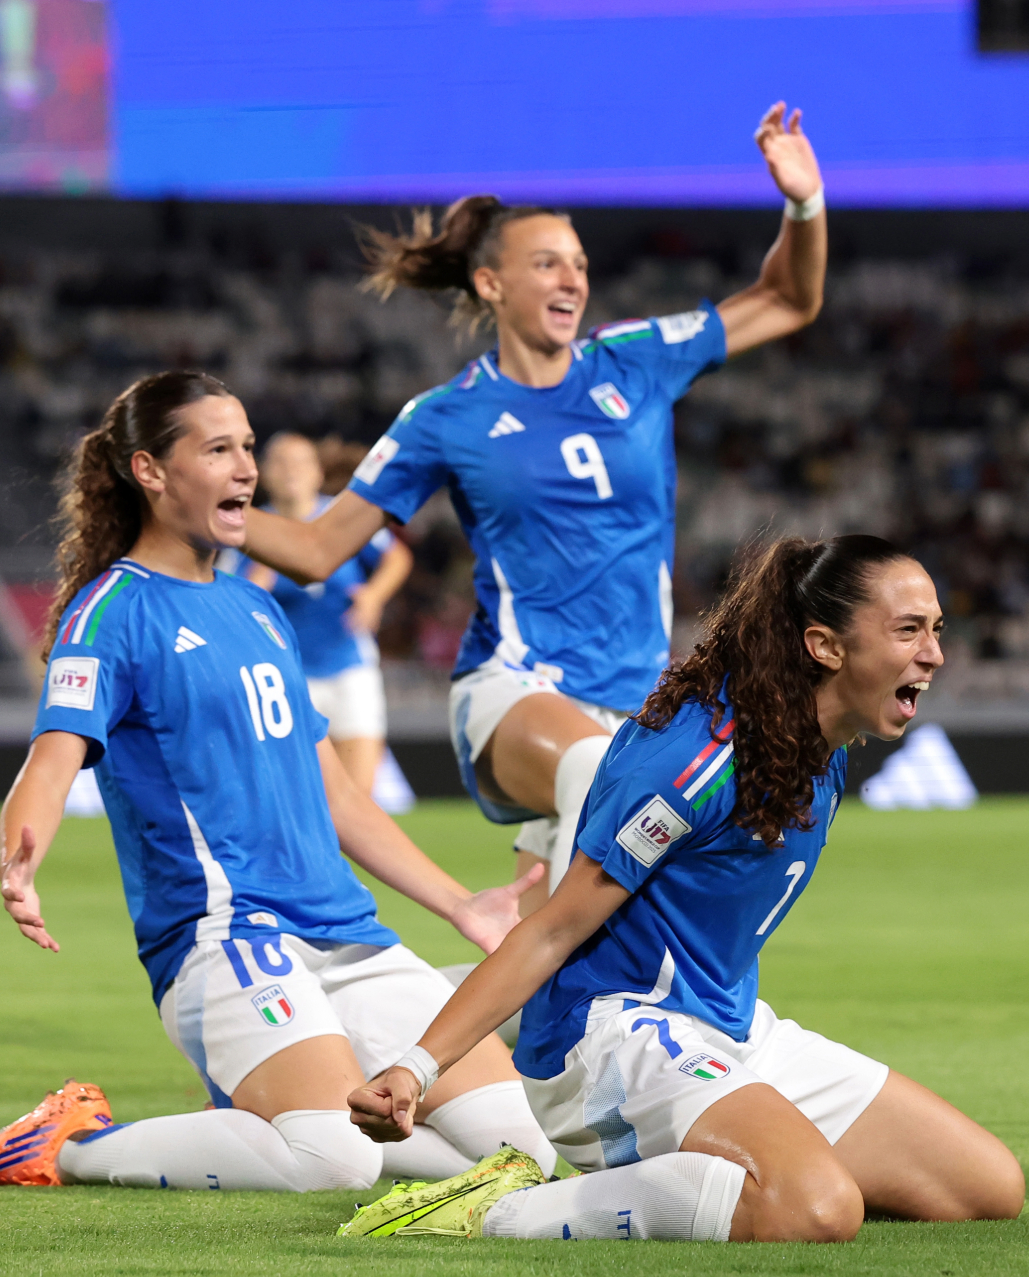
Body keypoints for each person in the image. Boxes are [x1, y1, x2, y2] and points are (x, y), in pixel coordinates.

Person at [0, 371, 556, 1192]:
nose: (245, 468)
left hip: (349, 938)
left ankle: (258, 1116)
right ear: (150, 472)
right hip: (226, 939)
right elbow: (54, 754)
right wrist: (20, 852)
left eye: (246, 448)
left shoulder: (259, 608)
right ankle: (66, 1144)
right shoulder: (112, 610)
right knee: (333, 1161)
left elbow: (335, 792)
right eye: (217, 449)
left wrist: (456, 903)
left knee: (528, 1158)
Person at [338, 535, 1024, 1242]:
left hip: (727, 1026)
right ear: (825, 646)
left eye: (936, 629)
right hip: (610, 1034)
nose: (934, 653)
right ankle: (500, 1209)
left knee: (987, 1186)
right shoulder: (698, 760)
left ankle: (712, 1180)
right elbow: (553, 929)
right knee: (817, 1209)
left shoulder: (823, 743)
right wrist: (417, 1070)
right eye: (909, 630)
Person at [240, 102, 828, 908]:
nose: (573, 278)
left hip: (639, 700)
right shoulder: (447, 416)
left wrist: (802, 205)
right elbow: (315, 550)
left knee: (544, 986)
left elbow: (790, 300)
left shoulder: (637, 362)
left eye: (578, 262)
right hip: (518, 688)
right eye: (548, 263)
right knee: (611, 786)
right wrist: (201, 510)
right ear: (492, 284)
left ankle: (369, 1030)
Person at [238, 431, 413, 796]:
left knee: (357, 794)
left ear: (318, 472)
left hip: (348, 665)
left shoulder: (337, 517)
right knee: (293, 796)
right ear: (263, 474)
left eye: (300, 462)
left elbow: (396, 557)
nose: (290, 471)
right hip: (285, 679)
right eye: (280, 462)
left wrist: (373, 596)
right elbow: (226, 599)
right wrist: (257, 584)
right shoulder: (247, 528)